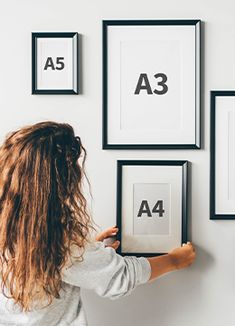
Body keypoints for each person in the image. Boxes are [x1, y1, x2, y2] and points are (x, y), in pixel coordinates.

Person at [0, 121, 195, 325]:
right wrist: (175, 260)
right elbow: (120, 276)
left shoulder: (16, 227)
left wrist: (88, 250)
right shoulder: (59, 241)